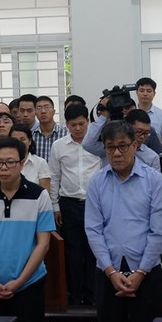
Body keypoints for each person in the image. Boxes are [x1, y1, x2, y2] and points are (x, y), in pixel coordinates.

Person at [85, 120, 162, 322]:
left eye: (122, 146)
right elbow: (93, 230)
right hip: (107, 273)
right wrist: (111, 272)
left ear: (134, 145)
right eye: (110, 147)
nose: (116, 153)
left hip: (146, 272)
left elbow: (158, 231)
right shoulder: (96, 182)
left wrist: (140, 272)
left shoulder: (154, 180)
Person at [0, 137, 55, 322]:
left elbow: (43, 244)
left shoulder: (39, 195)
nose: (4, 168)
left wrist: (20, 281)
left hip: (29, 284)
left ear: (22, 163)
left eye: (10, 162)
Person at [48, 104, 101, 305]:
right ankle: (75, 296)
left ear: (88, 122)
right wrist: (55, 206)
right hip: (68, 204)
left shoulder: (97, 143)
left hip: (94, 204)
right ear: (67, 125)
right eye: (73, 125)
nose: (78, 128)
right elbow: (54, 177)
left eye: (81, 124)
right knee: (73, 251)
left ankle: (92, 294)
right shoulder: (59, 146)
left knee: (93, 249)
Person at [136, 77, 162, 183]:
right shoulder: (130, 114)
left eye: (149, 91)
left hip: (156, 161)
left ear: (154, 94)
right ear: (136, 92)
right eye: (142, 90)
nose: (145, 94)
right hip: (134, 161)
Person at [10, 123, 51, 191]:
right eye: (15, 140)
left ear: (29, 141)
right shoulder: (3, 162)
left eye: (22, 139)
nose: (19, 143)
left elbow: (45, 192)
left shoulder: (40, 163)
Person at [32, 96, 68, 161]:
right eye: (39, 108)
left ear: (53, 111)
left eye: (47, 107)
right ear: (35, 113)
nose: (43, 111)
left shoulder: (65, 134)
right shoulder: (31, 136)